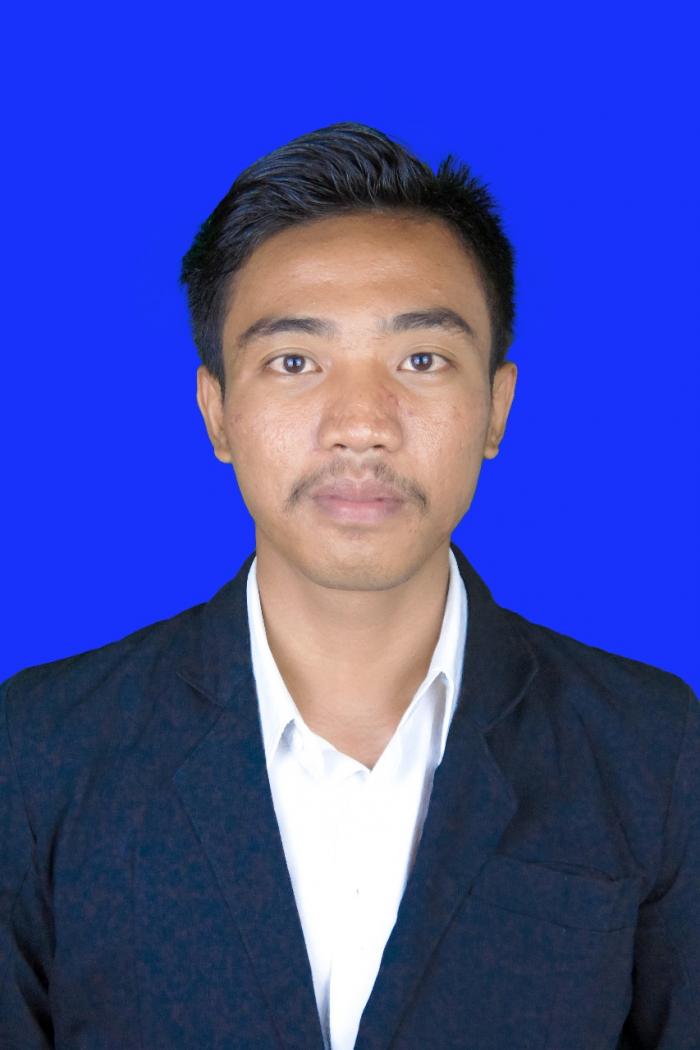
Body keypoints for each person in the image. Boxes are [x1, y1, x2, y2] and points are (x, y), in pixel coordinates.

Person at [0, 122, 697, 1050]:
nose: (361, 424)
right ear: (217, 411)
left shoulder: (653, 751)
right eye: (295, 362)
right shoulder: (38, 752)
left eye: (421, 360)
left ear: (496, 406)